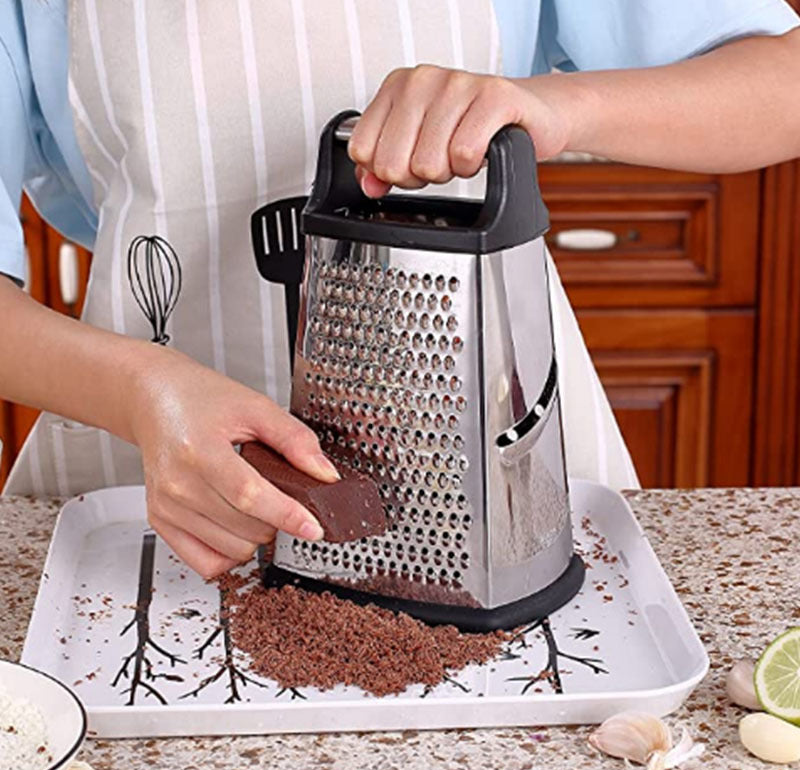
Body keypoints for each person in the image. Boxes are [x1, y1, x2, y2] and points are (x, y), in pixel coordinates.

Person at [1, 1, 798, 579]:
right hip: (152, 500)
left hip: (494, 473)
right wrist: (143, 393)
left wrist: (555, 107)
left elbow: (782, 81)